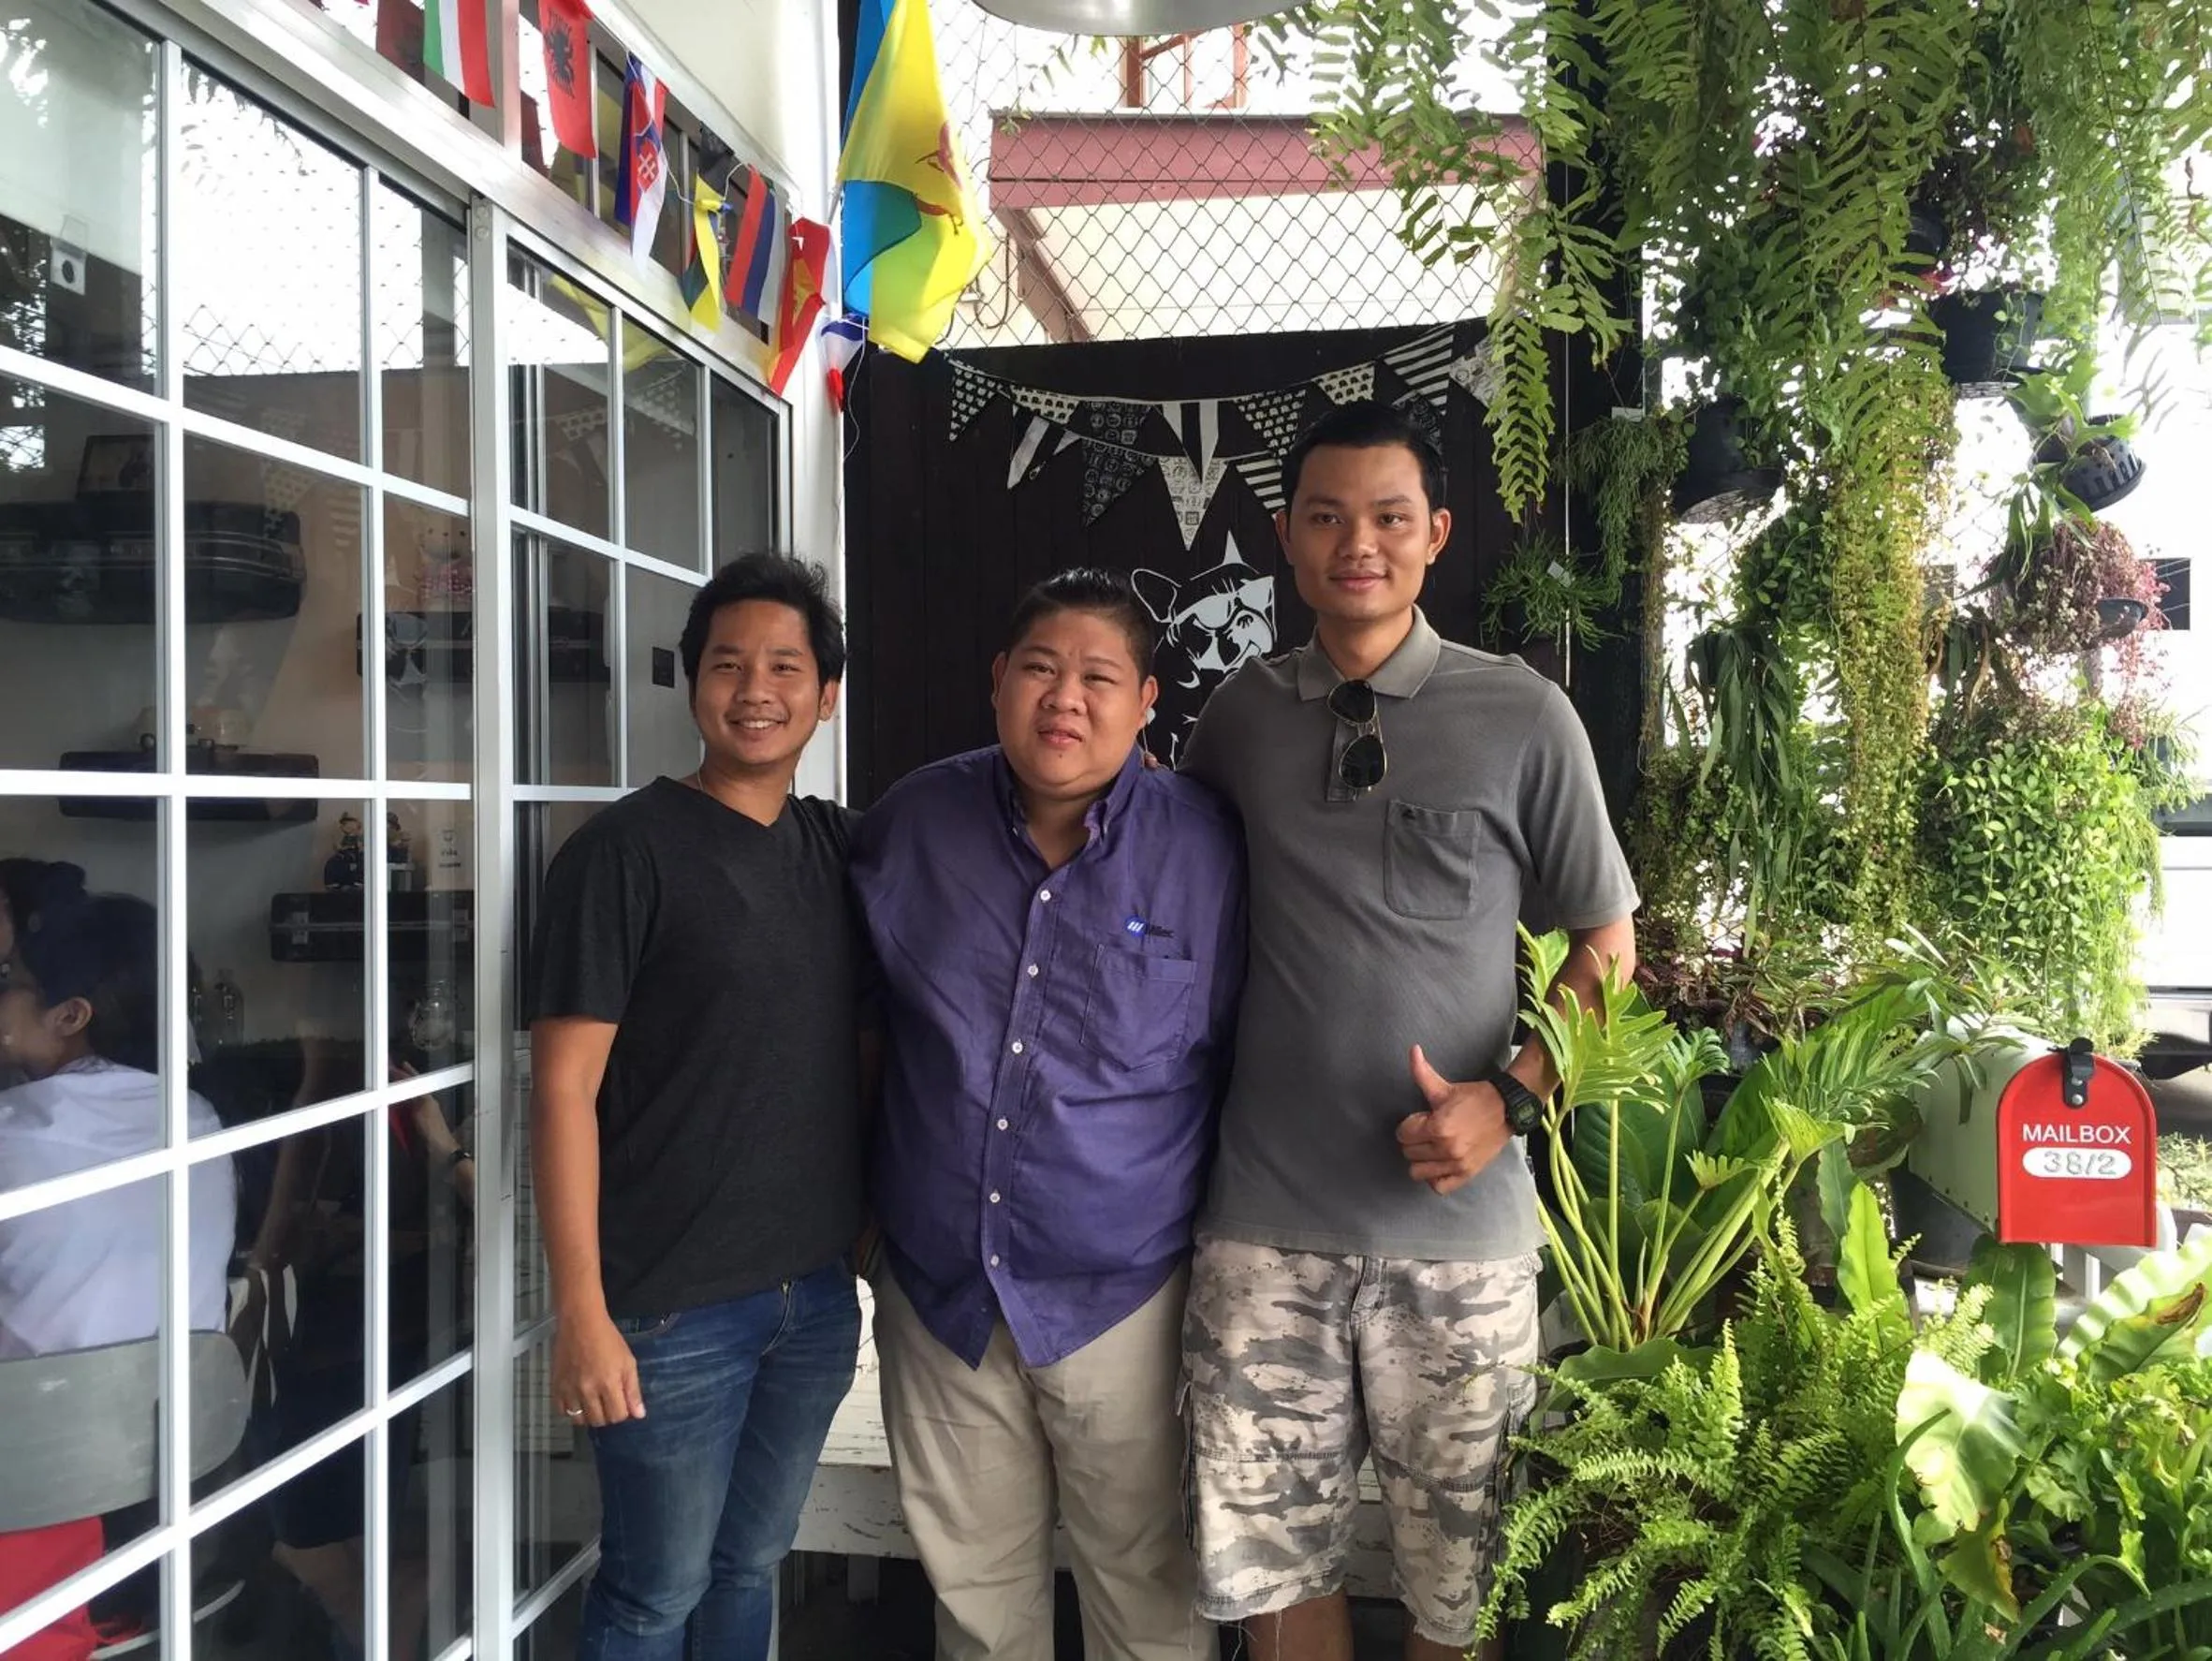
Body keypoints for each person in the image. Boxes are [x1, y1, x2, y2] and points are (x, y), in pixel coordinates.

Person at [1177, 401, 1640, 1661]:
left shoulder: (1522, 715)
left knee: (1460, 1587)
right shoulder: (1237, 718)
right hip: (1260, 1230)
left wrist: (1512, 1096)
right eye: (1326, 517)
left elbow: (1606, 945)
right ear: (1286, 536)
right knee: (1278, 1576)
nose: (1357, 544)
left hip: (1459, 1243)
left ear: (1434, 533)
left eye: (1388, 517)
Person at [850, 569, 1245, 1661]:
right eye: (1039, 668)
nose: (1063, 698)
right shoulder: (910, 825)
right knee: (977, 1609)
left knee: (1150, 1602)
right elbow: (848, 1015)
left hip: (1126, 1299)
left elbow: (1245, 1056)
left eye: (1097, 678)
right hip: (939, 1295)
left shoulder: (1208, 852)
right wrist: (860, 1216)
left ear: (1145, 701)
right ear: (997, 680)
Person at [526, 553, 866, 1661]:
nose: (754, 688)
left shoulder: (834, 847)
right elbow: (562, 1089)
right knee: (652, 1591)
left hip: (811, 1299)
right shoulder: (620, 854)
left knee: (750, 1564)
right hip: (668, 1311)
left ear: (826, 695)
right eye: (727, 663)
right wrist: (581, 1310)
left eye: (785, 666)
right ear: (692, 683)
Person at [0, 865, 236, 1661]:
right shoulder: (195, 1121)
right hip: (165, 1485)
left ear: (71, 1015)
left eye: (11, 981)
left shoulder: (14, 1138)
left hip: (30, 1495)